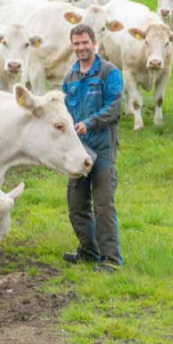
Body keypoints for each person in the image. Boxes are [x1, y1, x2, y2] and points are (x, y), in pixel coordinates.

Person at [61, 23, 124, 272]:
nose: (81, 47)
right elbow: (64, 113)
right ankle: (89, 251)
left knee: (103, 206)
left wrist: (89, 123)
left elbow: (114, 107)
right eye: (76, 43)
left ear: (94, 43)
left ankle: (111, 260)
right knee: (76, 206)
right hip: (77, 151)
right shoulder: (70, 78)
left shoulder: (110, 73)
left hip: (102, 149)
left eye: (85, 42)